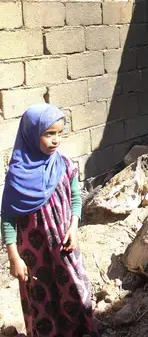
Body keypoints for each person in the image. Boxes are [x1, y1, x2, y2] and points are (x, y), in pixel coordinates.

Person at [1, 104, 98, 337]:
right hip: (34, 255)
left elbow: (76, 199)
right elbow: (8, 218)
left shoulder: (65, 165)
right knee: (42, 299)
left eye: (60, 133)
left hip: (64, 245)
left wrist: (74, 227)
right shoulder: (17, 176)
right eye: (49, 133)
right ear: (32, 134)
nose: (56, 140)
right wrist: (14, 256)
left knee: (76, 290)